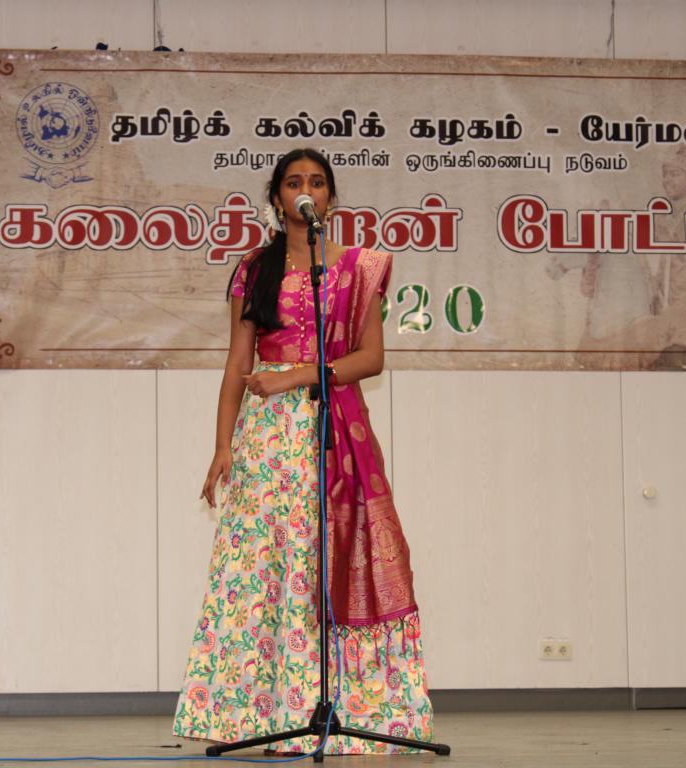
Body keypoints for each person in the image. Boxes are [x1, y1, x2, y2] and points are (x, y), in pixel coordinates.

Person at [173, 148, 434, 754]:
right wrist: (222, 446)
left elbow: (371, 358)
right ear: (277, 198)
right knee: (268, 567)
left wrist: (297, 375)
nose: (305, 190)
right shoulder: (254, 270)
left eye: (316, 182)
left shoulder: (359, 269)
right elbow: (237, 364)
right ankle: (263, 713)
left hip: (329, 431)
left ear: (330, 200)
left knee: (323, 564)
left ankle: (338, 704)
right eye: (294, 182)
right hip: (268, 441)